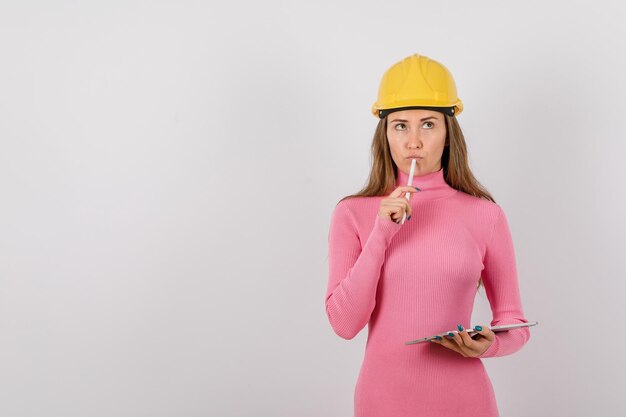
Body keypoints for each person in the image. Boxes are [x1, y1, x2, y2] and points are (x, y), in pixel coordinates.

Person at [324, 53, 532, 417]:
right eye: (401, 125)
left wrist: (488, 346)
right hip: (382, 402)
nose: (414, 141)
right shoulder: (352, 213)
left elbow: (514, 323)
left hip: (466, 402)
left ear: (448, 134)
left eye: (429, 125)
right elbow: (344, 324)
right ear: (385, 134)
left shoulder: (486, 215)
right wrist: (381, 233)